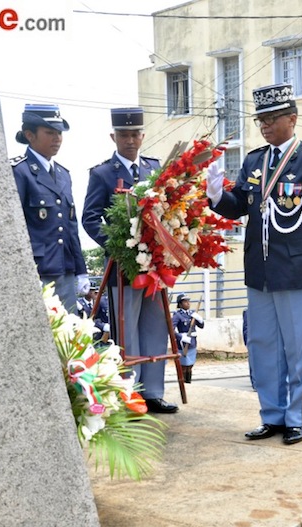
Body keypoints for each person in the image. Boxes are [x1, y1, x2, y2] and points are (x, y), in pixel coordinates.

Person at [207, 83, 302, 445]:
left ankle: (295, 417)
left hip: (298, 272)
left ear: (292, 119)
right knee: (263, 346)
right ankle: (272, 414)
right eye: (261, 120)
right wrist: (217, 195)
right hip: (260, 272)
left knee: (297, 349)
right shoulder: (254, 161)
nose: (265, 126)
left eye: (271, 119)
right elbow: (240, 205)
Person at [81, 107, 178, 414]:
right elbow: (90, 218)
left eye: (135, 134)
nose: (130, 140)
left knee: (155, 327)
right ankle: (130, 395)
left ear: (142, 136)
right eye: (124, 135)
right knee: (127, 333)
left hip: (155, 266)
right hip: (122, 267)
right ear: (114, 137)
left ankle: (153, 393)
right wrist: (119, 246)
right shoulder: (102, 174)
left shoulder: (154, 168)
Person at [11, 103, 88, 312]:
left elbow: (71, 227)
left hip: (65, 268)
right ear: (30, 135)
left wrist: (81, 270)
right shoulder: (19, 172)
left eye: (59, 133)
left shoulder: (63, 174)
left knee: (70, 330)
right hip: (38, 271)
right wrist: (25, 272)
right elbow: (15, 230)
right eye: (50, 133)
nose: (57, 139)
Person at [172, 294, 204, 383]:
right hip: (183, 344)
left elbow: (201, 326)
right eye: (185, 301)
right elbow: (171, 329)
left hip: (192, 343)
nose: (188, 303)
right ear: (180, 304)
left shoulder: (192, 314)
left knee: (190, 366)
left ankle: (189, 383)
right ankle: (183, 384)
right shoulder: (177, 315)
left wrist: (200, 320)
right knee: (183, 366)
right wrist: (181, 336)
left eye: (188, 301)